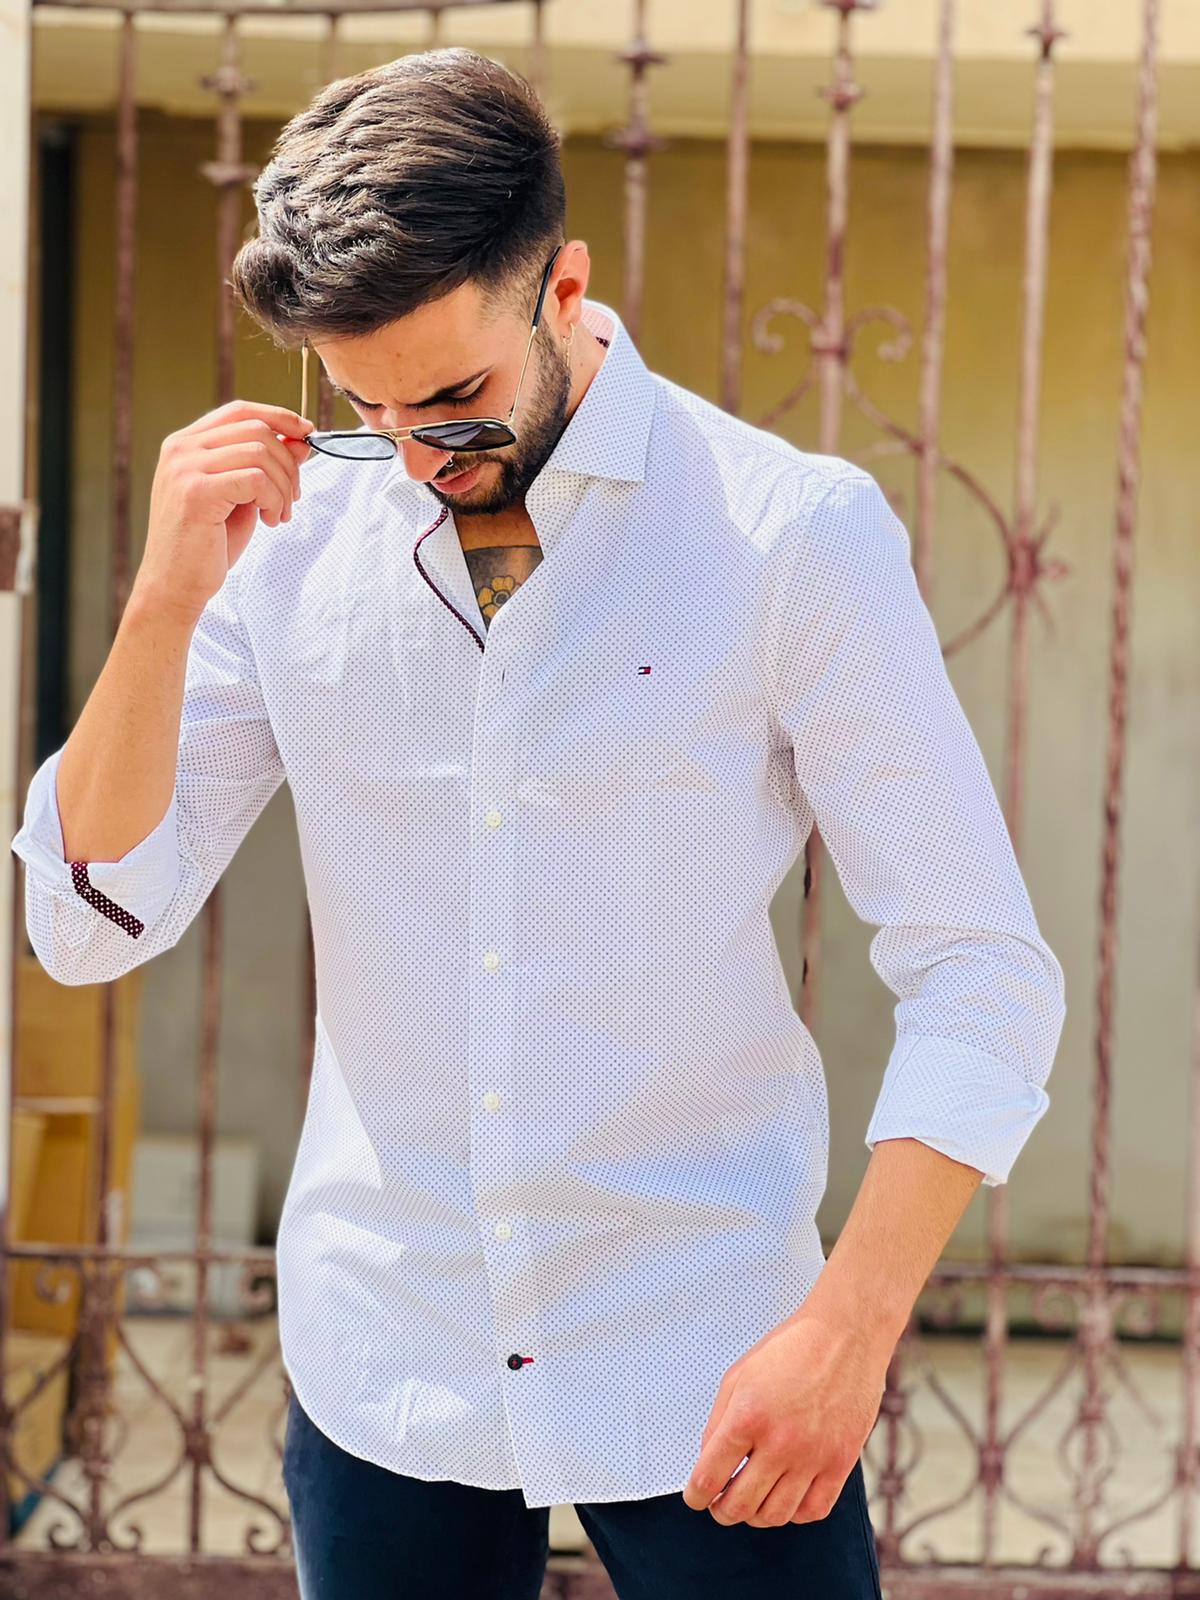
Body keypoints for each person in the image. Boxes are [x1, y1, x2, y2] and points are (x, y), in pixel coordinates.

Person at [11, 46, 1065, 1600]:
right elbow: (88, 921)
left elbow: (983, 970)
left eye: (457, 398)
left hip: (707, 1349)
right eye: (366, 407)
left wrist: (847, 1332)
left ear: (563, 287)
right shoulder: (291, 546)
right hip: (391, 1353)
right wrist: (165, 602)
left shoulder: (786, 535)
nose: (419, 455)